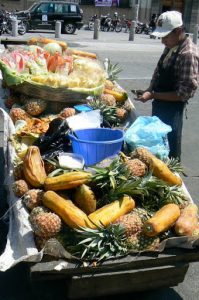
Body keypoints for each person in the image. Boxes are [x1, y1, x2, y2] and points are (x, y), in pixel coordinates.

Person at [134, 11, 199, 160]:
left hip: (172, 110)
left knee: (170, 149)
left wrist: (153, 95)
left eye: (165, 37)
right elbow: (158, 70)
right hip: (159, 104)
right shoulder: (171, 45)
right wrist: (149, 89)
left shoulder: (188, 54)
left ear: (179, 31)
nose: (162, 41)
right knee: (157, 145)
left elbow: (184, 93)